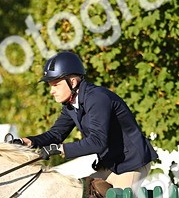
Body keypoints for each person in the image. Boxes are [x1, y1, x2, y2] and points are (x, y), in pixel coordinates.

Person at [9, 51, 159, 188]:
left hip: (131, 163)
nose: (52, 91)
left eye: (56, 85)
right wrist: (27, 142)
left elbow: (97, 142)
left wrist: (60, 149)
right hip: (110, 165)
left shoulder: (97, 98)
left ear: (73, 82)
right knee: (79, 195)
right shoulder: (71, 105)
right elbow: (56, 134)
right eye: (50, 86)